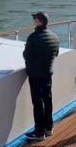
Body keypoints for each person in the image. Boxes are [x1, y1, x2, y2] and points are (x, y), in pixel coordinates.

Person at [23, 12, 60, 141]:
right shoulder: (55, 37)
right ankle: (49, 128)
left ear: (39, 21)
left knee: (38, 103)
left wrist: (26, 49)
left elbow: (27, 56)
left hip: (35, 75)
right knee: (48, 99)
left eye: (34, 19)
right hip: (47, 74)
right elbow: (55, 53)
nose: (33, 21)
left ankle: (39, 132)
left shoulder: (33, 37)